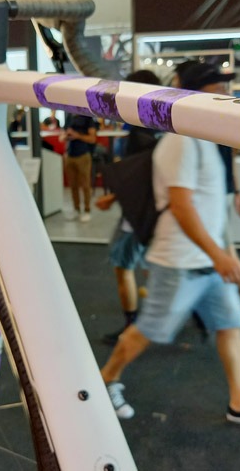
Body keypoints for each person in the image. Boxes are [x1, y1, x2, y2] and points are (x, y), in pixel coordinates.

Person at [99, 62, 240, 429]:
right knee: (147, 331)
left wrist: (219, 252)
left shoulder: (204, 138)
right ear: (192, 93)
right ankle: (103, 383)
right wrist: (219, 254)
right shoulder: (181, 141)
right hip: (180, 262)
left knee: (231, 324)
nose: (225, 95)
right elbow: (182, 206)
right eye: (217, 89)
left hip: (205, 261)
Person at [177, 61, 240, 337]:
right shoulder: (204, 117)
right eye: (216, 83)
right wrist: (237, 191)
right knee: (209, 252)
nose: (223, 88)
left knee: (226, 255)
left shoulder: (207, 117)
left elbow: (225, 157)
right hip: (214, 195)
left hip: (213, 197)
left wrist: (235, 190)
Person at [95, 69, 162, 345]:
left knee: (123, 266)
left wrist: (112, 197)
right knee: (150, 264)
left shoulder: (140, 132)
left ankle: (132, 328)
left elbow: (139, 177)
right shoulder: (161, 124)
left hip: (138, 213)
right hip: (156, 210)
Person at [60, 113, 98, 222]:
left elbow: (92, 139)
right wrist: (66, 136)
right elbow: (62, 136)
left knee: (85, 185)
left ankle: (87, 210)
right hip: (70, 155)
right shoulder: (69, 117)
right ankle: (76, 209)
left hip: (83, 155)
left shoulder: (87, 118)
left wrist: (78, 136)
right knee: (73, 185)